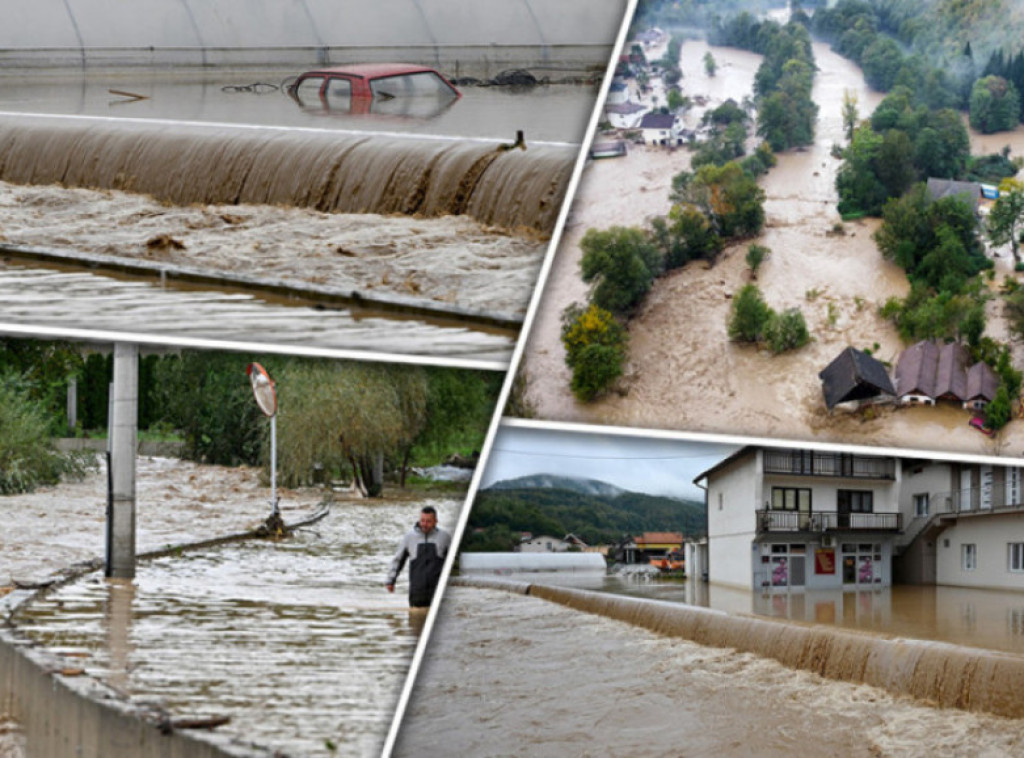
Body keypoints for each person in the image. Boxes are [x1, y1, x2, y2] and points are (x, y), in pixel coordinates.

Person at [386, 506, 452, 608]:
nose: (424, 524)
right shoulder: (409, 537)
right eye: (422, 521)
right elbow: (398, 560)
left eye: (428, 521)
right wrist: (391, 580)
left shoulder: (444, 538)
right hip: (416, 593)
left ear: (436, 521)